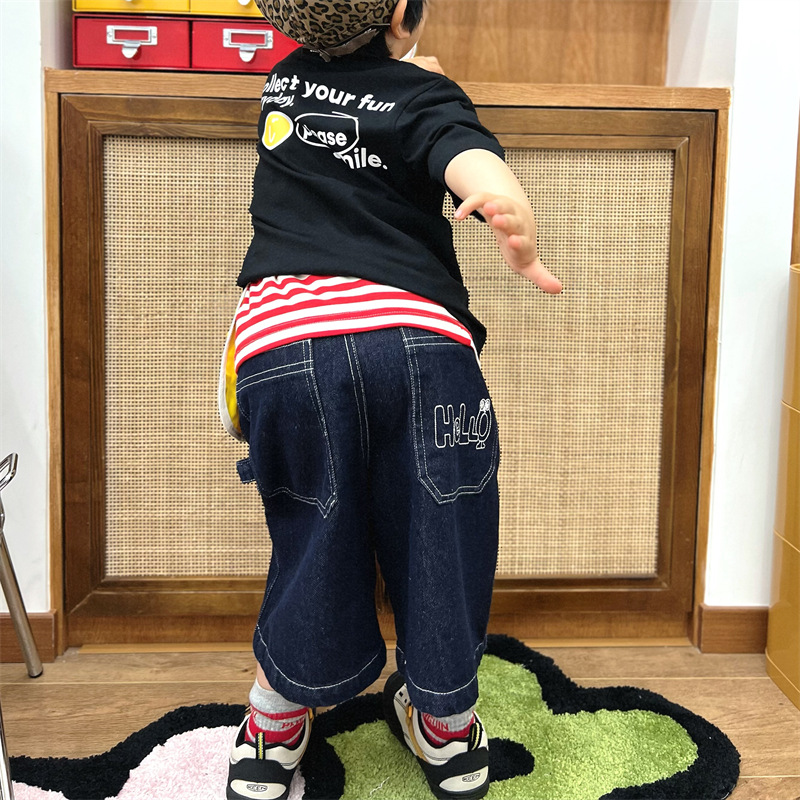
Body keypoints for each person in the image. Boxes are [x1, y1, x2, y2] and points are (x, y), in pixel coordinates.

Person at [219, 1, 562, 798]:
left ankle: (275, 723)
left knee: (313, 533)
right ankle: (446, 725)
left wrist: (405, 72)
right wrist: (510, 213)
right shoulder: (425, 95)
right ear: (404, 12)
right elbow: (463, 154)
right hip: (421, 346)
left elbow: (349, 77)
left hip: (283, 346)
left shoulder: (281, 86)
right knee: (444, 531)